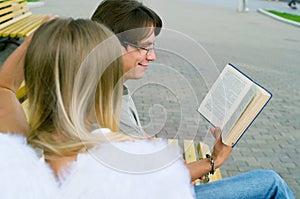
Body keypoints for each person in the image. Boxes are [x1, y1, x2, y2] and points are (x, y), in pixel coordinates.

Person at [91, 0, 295, 198]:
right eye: (145, 47)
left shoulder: (106, 86)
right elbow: (153, 181)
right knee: (270, 183)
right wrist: (214, 160)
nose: (152, 56)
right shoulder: (108, 104)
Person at [0, 18, 196, 198]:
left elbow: (5, 87)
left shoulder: (18, 158)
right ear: (105, 86)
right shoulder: (138, 167)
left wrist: (35, 42)